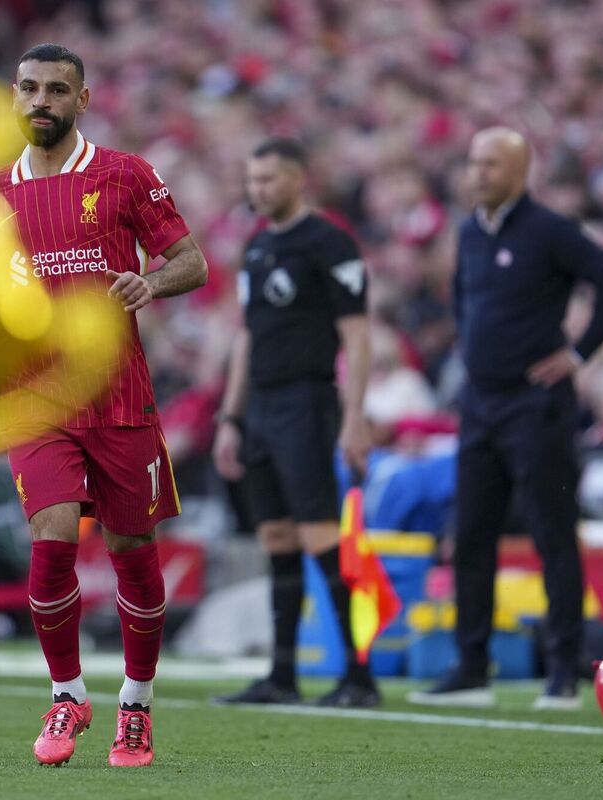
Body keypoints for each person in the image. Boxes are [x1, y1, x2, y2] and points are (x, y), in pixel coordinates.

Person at [0, 44, 207, 767]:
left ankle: (136, 706)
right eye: (29, 88)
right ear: (14, 97)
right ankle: (66, 694)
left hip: (119, 400)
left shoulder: (124, 174)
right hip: (34, 399)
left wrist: (152, 284)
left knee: (132, 554)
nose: (41, 100)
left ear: (83, 100)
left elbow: (191, 260)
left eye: (57, 89)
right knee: (50, 538)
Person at [408, 127, 603, 711]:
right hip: (480, 405)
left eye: (490, 164)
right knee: (472, 534)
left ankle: (563, 670)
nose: (478, 173)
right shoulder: (469, 233)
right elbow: (463, 300)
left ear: (520, 169)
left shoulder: (549, 231)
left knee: (551, 531)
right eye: (473, 163)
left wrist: (578, 354)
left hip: (536, 405)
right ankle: (472, 665)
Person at [212, 138, 380, 708]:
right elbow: (247, 336)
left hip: (307, 403)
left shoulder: (330, 243)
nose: (257, 191)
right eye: (251, 181)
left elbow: (357, 335)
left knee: (321, 536)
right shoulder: (257, 249)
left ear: (297, 180)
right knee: (277, 537)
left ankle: (361, 676)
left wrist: (354, 414)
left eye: (268, 181)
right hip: (259, 407)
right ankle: (282, 675)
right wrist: (230, 417)